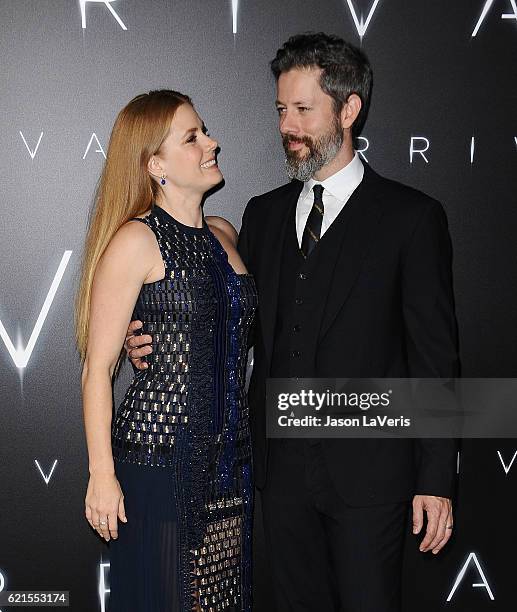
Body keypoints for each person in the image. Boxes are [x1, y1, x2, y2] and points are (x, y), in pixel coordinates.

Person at [127, 34, 460, 611]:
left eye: (304, 109)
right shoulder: (265, 213)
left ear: (349, 109)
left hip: (371, 481)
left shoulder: (412, 218)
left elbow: (436, 358)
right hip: (277, 477)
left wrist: (436, 478)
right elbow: (233, 318)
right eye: (282, 109)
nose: (288, 124)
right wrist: (154, 340)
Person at [75, 89, 257, 612]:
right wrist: (102, 475)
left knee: (220, 602)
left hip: (230, 461)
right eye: (193, 137)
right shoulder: (137, 241)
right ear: (156, 165)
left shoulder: (225, 233)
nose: (212, 142)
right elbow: (97, 368)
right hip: (159, 461)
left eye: (206, 131)